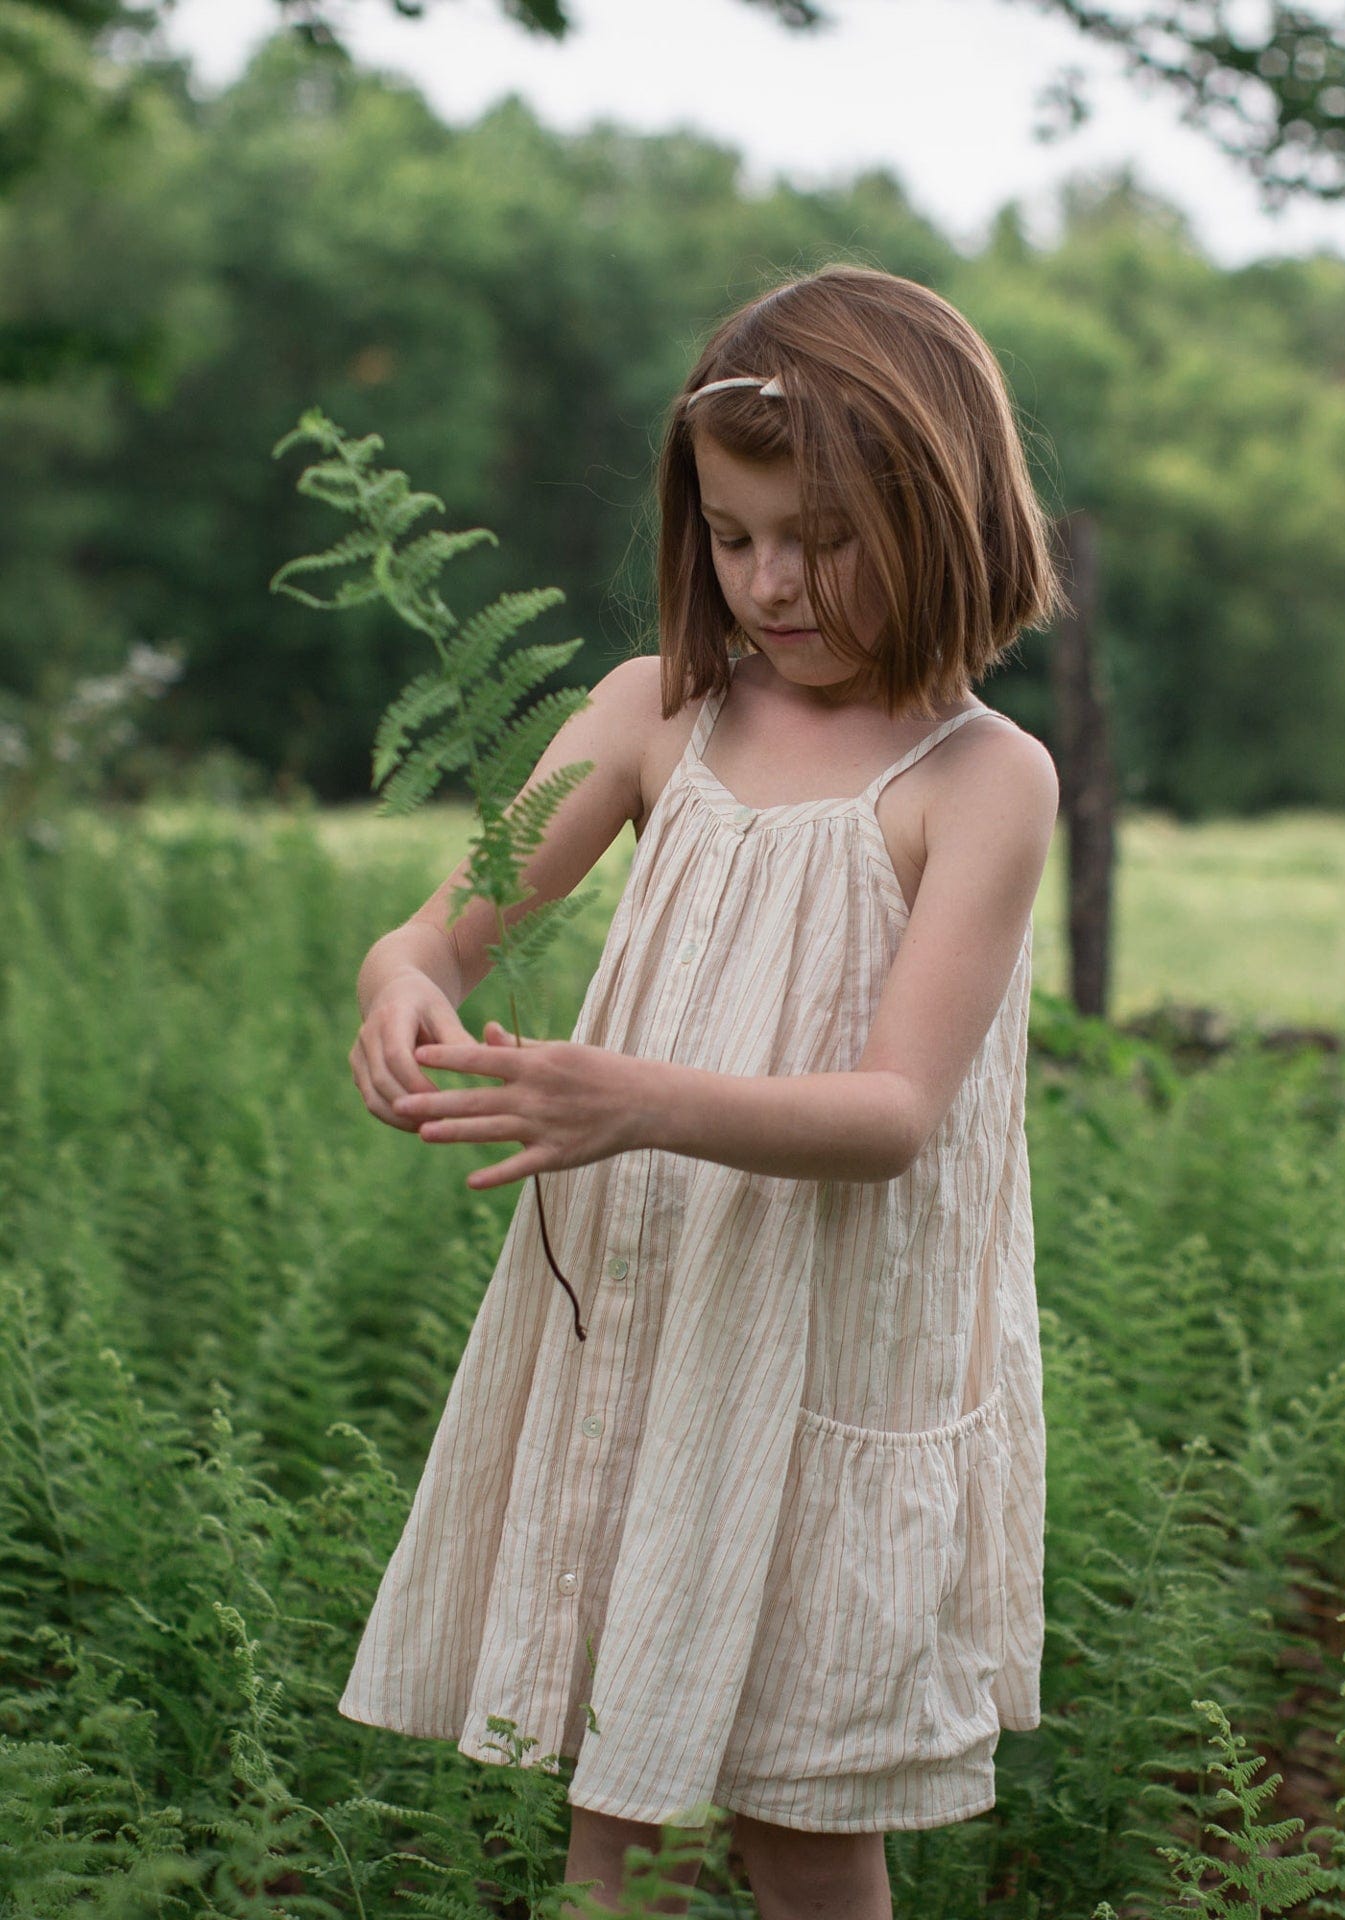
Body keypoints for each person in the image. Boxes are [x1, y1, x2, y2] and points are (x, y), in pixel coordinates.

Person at [338, 264, 1065, 1920]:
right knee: (621, 1805)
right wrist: (405, 985)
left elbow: (894, 1115)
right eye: (736, 537)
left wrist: (634, 1102)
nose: (772, 580)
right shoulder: (654, 711)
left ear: (941, 511)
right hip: (649, 1340)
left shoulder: (978, 781)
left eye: (821, 536)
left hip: (824, 1349)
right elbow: (447, 927)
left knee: (804, 1819)